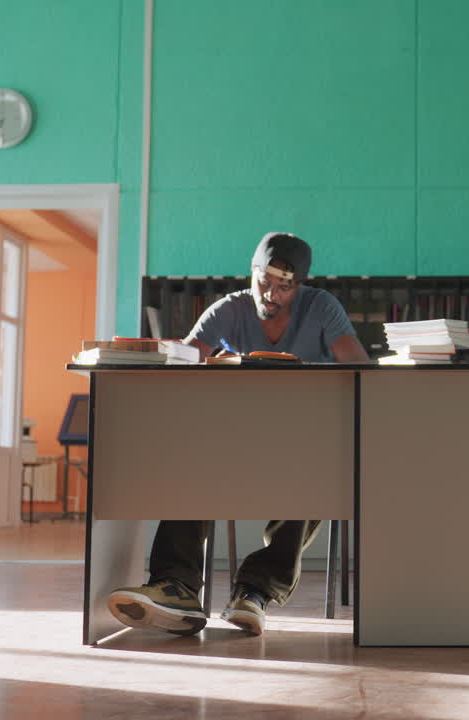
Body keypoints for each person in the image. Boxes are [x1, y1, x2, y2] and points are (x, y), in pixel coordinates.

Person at [107, 232, 370, 636]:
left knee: (323, 465)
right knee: (190, 450)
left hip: (301, 441)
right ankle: (177, 587)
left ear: (298, 285)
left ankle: (255, 592)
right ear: (252, 273)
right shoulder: (228, 310)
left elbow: (359, 367)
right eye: (265, 281)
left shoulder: (321, 308)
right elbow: (185, 357)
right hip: (234, 437)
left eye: (285, 286)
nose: (272, 294)